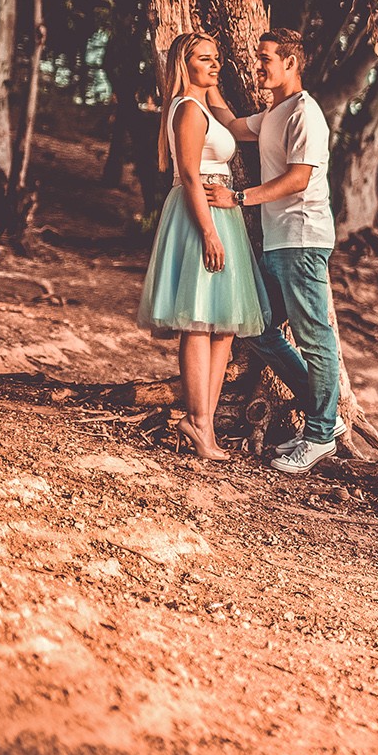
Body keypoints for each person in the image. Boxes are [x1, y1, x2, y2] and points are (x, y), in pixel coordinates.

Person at [201, 28, 343, 475]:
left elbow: (300, 177)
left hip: (303, 239)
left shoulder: (306, 113)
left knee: (316, 338)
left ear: (291, 63)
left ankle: (320, 436)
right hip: (279, 241)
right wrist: (206, 83)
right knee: (258, 326)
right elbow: (229, 124)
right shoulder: (274, 113)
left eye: (265, 59)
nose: (257, 66)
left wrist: (239, 198)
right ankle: (326, 418)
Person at [137, 32, 269, 461]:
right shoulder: (188, 111)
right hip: (201, 215)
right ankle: (199, 422)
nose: (216, 65)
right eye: (205, 60)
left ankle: (201, 421)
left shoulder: (206, 106)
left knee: (225, 324)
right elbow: (191, 175)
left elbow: (235, 129)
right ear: (185, 64)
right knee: (197, 321)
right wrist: (209, 232)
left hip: (222, 211)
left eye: (217, 59)